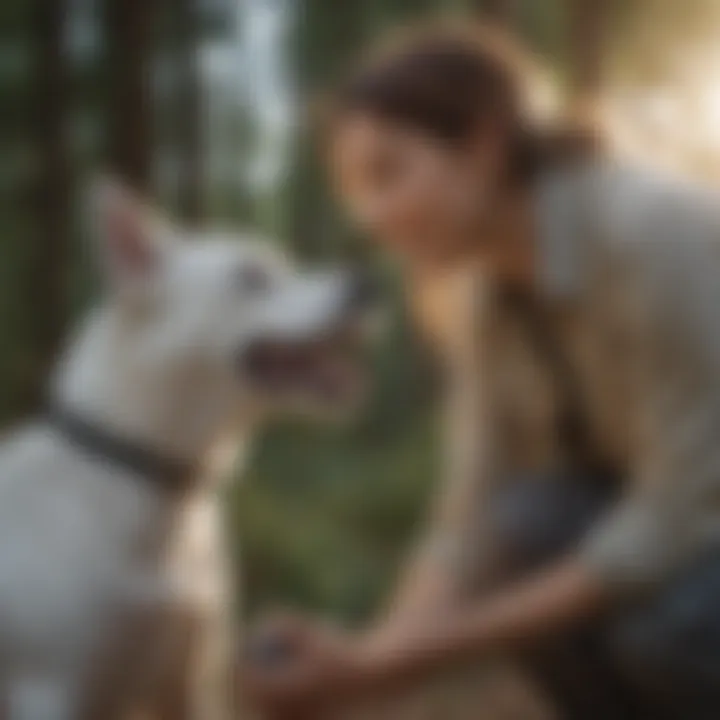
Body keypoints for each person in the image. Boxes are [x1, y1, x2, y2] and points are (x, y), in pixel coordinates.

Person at [243, 22, 720, 720]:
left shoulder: (647, 231)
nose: (372, 219)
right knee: (526, 523)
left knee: (664, 631)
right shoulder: (475, 298)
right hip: (685, 522)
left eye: (387, 173)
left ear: (485, 142)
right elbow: (470, 512)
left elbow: (676, 512)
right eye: (354, 192)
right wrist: (369, 661)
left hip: (698, 517)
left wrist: (410, 658)